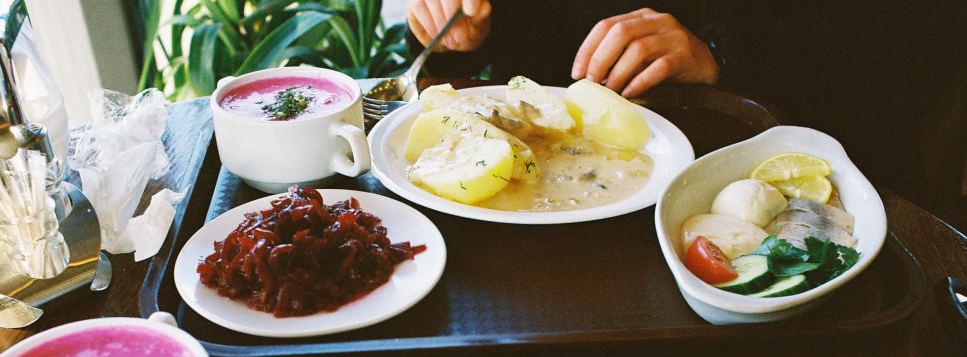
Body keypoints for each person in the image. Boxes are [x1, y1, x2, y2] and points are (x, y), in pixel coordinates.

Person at [405, 1, 967, 226]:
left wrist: (722, 50)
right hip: (542, 190)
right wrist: (465, 27)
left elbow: (916, 36)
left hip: (797, 160)